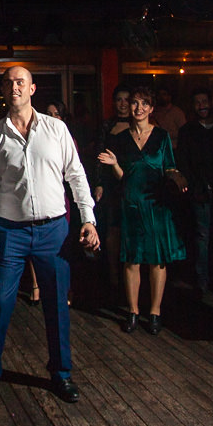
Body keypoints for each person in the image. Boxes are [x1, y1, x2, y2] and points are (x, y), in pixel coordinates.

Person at [0, 66, 99, 409]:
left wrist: (88, 219)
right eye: (9, 83)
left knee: (56, 304)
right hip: (9, 231)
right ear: (3, 90)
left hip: (53, 231)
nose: (15, 87)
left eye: (20, 82)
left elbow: (77, 175)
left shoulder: (56, 129)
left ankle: (61, 373)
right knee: (0, 302)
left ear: (32, 89)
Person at [98, 87, 187, 335]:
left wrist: (177, 177)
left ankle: (155, 312)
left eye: (144, 104)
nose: (138, 108)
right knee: (132, 259)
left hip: (156, 204)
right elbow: (123, 177)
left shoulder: (161, 136)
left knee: (157, 260)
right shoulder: (121, 139)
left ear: (151, 108)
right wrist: (114, 164)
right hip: (132, 203)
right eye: (135, 103)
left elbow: (170, 167)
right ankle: (133, 311)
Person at [176, 88, 213, 296]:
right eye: (197, 102)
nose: (201, 106)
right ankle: (202, 282)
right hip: (199, 193)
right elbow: (183, 163)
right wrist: (195, 186)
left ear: (212, 102)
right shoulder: (188, 131)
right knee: (202, 236)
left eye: (204, 101)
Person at [93, 85, 132, 294]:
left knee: (131, 229)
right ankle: (113, 273)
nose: (123, 104)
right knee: (112, 228)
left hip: (132, 181)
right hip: (111, 183)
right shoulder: (107, 125)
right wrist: (98, 183)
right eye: (119, 99)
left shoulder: (140, 124)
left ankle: (131, 272)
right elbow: (99, 154)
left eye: (127, 99)